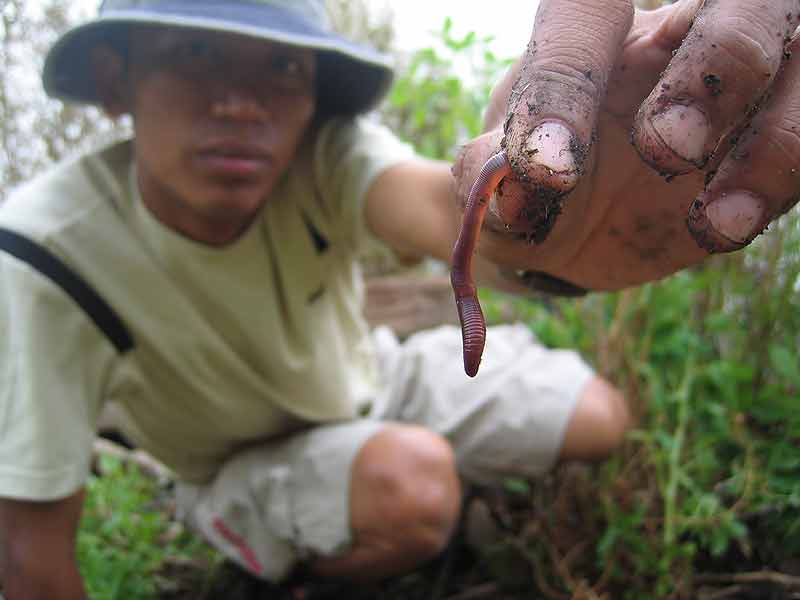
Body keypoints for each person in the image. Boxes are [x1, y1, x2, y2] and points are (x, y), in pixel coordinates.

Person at [0, 0, 796, 597]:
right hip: (234, 460)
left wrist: (549, 215)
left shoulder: (320, 154)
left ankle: (417, 474)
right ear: (114, 81)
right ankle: (275, 551)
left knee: (600, 415)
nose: (242, 103)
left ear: (313, 91)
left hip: (371, 378)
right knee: (412, 487)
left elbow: (442, 212)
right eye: (198, 53)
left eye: (279, 68)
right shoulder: (42, 253)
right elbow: (31, 546)